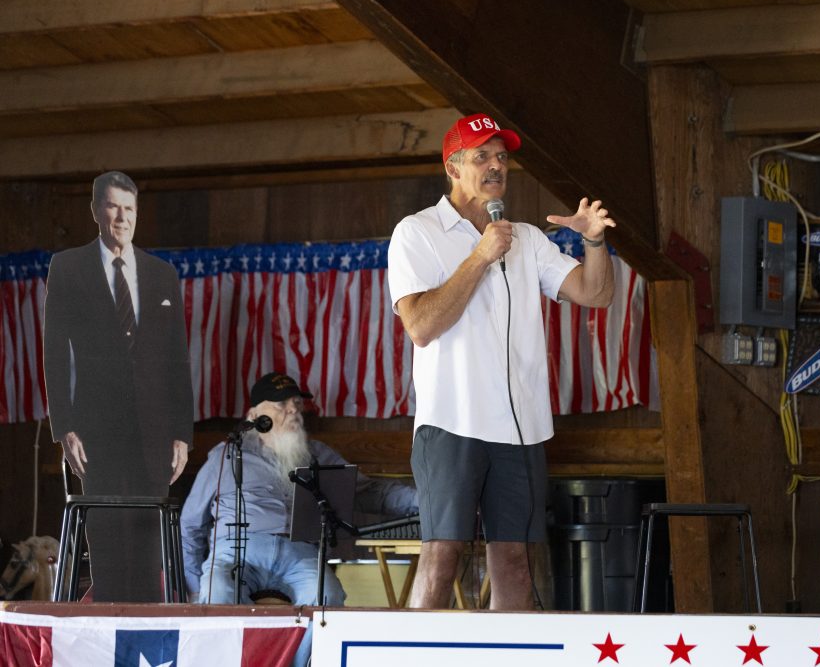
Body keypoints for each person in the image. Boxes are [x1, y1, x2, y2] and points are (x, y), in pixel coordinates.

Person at [387, 113, 616, 609]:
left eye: (502, 157)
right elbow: (421, 325)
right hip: (453, 423)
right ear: (453, 166)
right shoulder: (417, 232)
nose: (496, 166)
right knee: (442, 556)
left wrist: (594, 241)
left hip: (520, 428)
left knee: (515, 561)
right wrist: (480, 257)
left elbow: (595, 294)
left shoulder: (526, 237)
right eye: (482, 156)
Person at [43, 170, 193, 602]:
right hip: (96, 429)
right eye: (113, 206)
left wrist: (183, 433)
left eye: (129, 208)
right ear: (96, 210)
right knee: (107, 542)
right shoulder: (69, 267)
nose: (122, 217)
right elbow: (55, 353)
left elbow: (176, 359)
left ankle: (145, 638)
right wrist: (64, 426)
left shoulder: (161, 273)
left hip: (155, 431)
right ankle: (108, 638)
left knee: (148, 550)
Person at [181, 372, 418, 606]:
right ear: (255, 415)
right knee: (217, 594)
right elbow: (190, 525)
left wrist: (424, 501)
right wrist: (193, 590)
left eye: (297, 402)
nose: (293, 409)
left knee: (327, 597)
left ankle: (303, 648)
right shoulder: (227, 455)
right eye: (281, 403)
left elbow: (370, 492)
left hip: (300, 556)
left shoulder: (318, 454)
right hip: (237, 553)